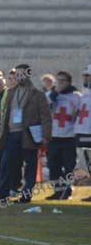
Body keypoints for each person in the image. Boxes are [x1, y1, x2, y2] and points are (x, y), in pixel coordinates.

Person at [0, 64, 51, 203]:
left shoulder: (38, 94)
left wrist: (45, 136)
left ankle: (26, 196)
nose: (19, 77)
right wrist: (1, 134)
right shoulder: (11, 92)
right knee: (6, 164)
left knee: (30, 166)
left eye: (22, 74)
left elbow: (45, 117)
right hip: (11, 133)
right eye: (17, 75)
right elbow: (5, 115)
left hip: (29, 134)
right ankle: (3, 195)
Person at [45, 71, 82, 200]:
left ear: (69, 82)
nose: (60, 83)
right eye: (58, 80)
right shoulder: (50, 94)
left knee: (68, 166)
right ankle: (57, 190)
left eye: (63, 81)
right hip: (53, 136)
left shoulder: (76, 96)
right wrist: (55, 92)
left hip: (69, 136)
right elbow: (45, 105)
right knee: (53, 165)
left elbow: (80, 114)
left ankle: (67, 190)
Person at [78, 66, 91, 201]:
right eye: (85, 76)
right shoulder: (85, 92)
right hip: (83, 132)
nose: (86, 78)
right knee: (88, 164)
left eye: (88, 76)